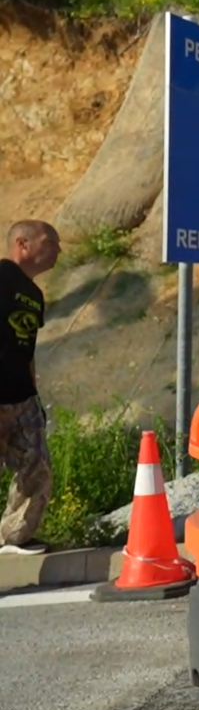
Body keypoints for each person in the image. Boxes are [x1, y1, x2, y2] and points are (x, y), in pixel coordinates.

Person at [0, 220, 59, 555]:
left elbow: (28, 349)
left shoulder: (34, 295)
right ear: (22, 244)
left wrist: (34, 395)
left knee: (36, 464)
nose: (58, 250)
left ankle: (13, 537)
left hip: (22, 397)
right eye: (50, 242)